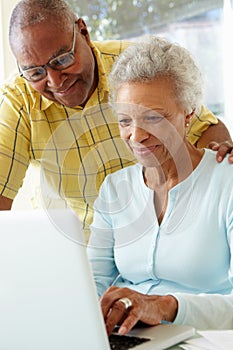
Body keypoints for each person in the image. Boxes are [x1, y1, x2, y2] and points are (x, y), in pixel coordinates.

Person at [0, 0, 232, 238]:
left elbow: (206, 127)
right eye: (36, 72)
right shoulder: (18, 101)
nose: (56, 82)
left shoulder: (134, 68)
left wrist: (213, 176)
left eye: (62, 60)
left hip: (163, 238)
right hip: (77, 251)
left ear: (83, 32)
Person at [87, 36, 233, 335]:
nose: (135, 135)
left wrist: (166, 306)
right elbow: (91, 284)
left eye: (153, 118)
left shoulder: (226, 180)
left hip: (204, 338)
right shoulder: (115, 189)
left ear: (189, 115)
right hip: (129, 336)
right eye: (125, 120)